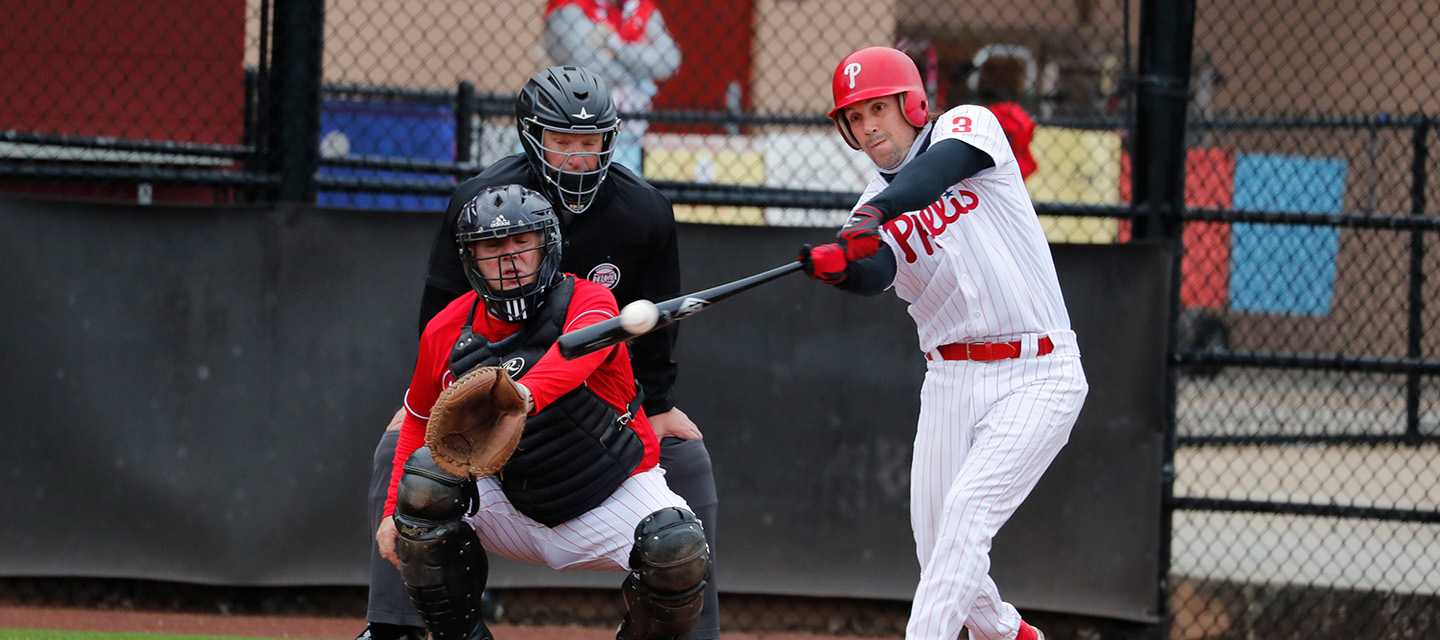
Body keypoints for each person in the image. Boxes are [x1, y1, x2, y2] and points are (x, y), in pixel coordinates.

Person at [357, 66, 722, 640]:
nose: (579, 157)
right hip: (489, 388)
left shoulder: (639, 217)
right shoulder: (477, 202)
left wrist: (657, 401)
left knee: (686, 465)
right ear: (532, 136)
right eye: (563, 142)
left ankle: (694, 633)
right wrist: (428, 400)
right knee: (406, 460)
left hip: (593, 397)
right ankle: (395, 627)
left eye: (591, 143)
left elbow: (644, 328)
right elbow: (441, 327)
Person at [798, 46, 1088, 640]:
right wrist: (839, 269)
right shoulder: (869, 214)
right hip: (951, 380)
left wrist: (872, 217)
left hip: (1039, 368)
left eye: (878, 107)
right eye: (855, 117)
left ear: (913, 103)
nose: (868, 124)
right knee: (939, 547)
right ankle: (1010, 636)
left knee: (965, 517)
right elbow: (876, 273)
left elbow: (933, 174)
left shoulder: (968, 128)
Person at [543, 0, 681, 173]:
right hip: (575, 125)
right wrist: (640, 71)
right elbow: (587, 66)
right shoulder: (568, 6)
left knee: (624, 188)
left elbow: (669, 62)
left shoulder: (639, 8)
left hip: (629, 132)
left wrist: (615, 46)